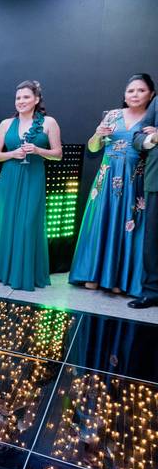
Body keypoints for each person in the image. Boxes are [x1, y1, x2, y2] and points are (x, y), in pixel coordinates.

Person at [70, 74, 154, 297]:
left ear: (151, 95)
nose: (135, 95)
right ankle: (93, 274)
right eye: (130, 91)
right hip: (106, 178)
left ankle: (119, 279)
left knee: (128, 225)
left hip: (134, 181)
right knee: (101, 222)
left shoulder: (152, 120)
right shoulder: (112, 115)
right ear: (124, 95)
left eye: (141, 90)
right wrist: (97, 135)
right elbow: (93, 148)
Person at [0, 81, 62, 291]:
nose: (21, 101)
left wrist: (38, 150)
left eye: (26, 97)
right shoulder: (5, 124)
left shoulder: (49, 122)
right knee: (6, 222)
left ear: (36, 99)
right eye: (18, 97)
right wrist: (13, 154)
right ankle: (5, 272)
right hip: (9, 178)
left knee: (28, 223)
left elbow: (58, 154)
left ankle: (24, 274)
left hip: (33, 177)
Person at [129, 94, 158, 309]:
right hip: (155, 178)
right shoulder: (157, 102)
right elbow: (138, 136)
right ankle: (152, 292)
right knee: (152, 240)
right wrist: (153, 139)